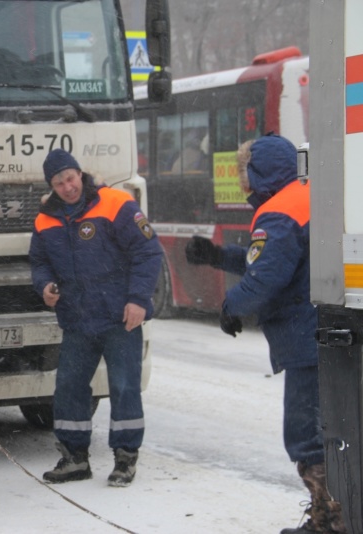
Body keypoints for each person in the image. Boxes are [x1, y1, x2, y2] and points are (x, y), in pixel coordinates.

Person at [185, 133, 347, 534]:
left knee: (307, 435)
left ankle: (331, 521)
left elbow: (267, 277)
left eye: (245, 173)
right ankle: (335, 515)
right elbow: (282, 263)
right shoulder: (308, 196)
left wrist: (230, 307)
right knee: (336, 429)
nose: (243, 184)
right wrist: (220, 257)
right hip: (329, 329)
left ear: (258, 173)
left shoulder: (277, 212)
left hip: (305, 335)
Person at [29, 149, 163, 487]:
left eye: (70, 178)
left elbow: (148, 251)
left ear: (80, 174)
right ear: (52, 186)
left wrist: (138, 300)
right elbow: (39, 261)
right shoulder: (45, 219)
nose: (67, 187)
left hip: (120, 317)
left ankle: (125, 459)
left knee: (123, 386)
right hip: (77, 319)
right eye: (59, 183)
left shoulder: (116, 203)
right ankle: (74, 458)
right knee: (69, 388)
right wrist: (44, 285)